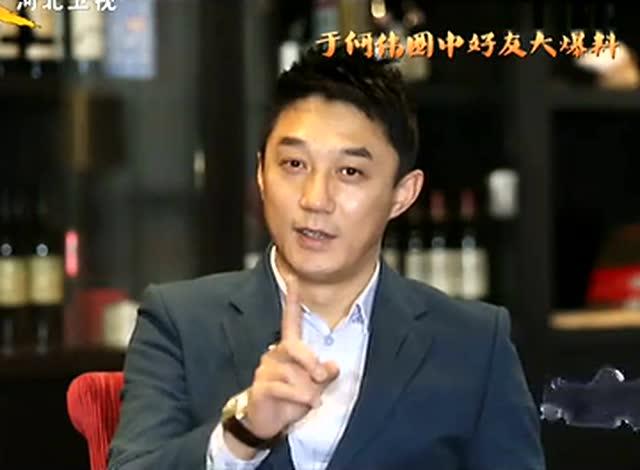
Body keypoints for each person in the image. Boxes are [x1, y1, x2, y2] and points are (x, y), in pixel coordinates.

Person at [108, 44, 545, 470]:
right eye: (294, 165)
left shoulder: (474, 343)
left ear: (402, 194)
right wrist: (243, 432)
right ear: (261, 173)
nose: (315, 199)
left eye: (350, 172)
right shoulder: (179, 321)